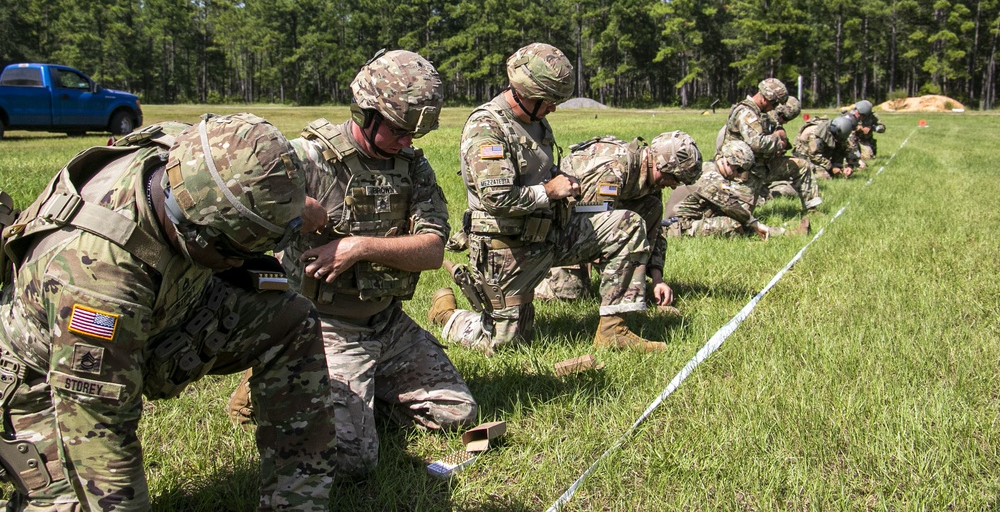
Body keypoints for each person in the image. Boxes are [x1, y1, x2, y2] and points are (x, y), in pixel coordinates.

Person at [0, 113, 337, 511]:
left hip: (164, 311)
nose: (237, 264)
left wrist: (294, 211)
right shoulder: (96, 279)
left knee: (290, 318)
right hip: (53, 378)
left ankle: (297, 501)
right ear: (196, 231)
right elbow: (101, 432)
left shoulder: (196, 154)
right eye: (233, 253)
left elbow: (257, 186)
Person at [228, 50, 476, 478]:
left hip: (386, 322)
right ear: (366, 113)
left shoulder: (411, 167)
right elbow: (238, 203)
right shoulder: (306, 158)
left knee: (457, 413)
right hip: (322, 323)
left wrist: (358, 246)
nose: (408, 142)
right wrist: (295, 206)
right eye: (400, 130)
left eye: (415, 132)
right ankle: (277, 378)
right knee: (353, 462)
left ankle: (353, 388)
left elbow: (433, 250)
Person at [429, 42, 668, 353]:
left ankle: (614, 331)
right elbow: (496, 199)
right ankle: (447, 313)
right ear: (527, 92)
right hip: (509, 247)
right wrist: (550, 191)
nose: (553, 108)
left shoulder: (537, 121)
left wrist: (566, 187)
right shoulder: (487, 126)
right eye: (549, 100)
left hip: (551, 234)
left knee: (626, 225)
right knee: (503, 344)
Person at [532, 132, 703, 307]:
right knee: (570, 295)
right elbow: (592, 227)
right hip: (559, 225)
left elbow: (655, 231)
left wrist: (657, 279)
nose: (673, 185)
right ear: (660, 165)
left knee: (653, 206)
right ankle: (537, 276)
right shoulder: (615, 170)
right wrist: (625, 283)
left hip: (587, 219)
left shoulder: (651, 177)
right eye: (673, 178)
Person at [664, 140, 805, 238]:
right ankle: (774, 233)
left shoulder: (709, 168)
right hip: (679, 227)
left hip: (685, 221)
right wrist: (755, 223)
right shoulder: (712, 178)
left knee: (737, 219)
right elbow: (732, 206)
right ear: (729, 163)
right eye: (739, 170)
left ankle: (782, 232)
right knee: (733, 223)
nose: (739, 175)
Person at [720, 79, 821, 212]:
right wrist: (778, 141)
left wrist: (779, 137)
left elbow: (775, 130)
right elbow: (757, 143)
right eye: (774, 103)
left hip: (763, 166)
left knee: (801, 166)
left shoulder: (762, 113)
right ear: (765, 99)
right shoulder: (746, 113)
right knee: (741, 215)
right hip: (744, 171)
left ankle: (811, 209)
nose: (775, 107)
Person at [791, 114, 857, 179]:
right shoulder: (815, 134)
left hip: (820, 154)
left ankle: (837, 169)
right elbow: (815, 156)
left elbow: (846, 148)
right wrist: (831, 167)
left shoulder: (837, 131)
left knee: (839, 147)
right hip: (806, 156)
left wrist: (850, 166)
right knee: (825, 176)